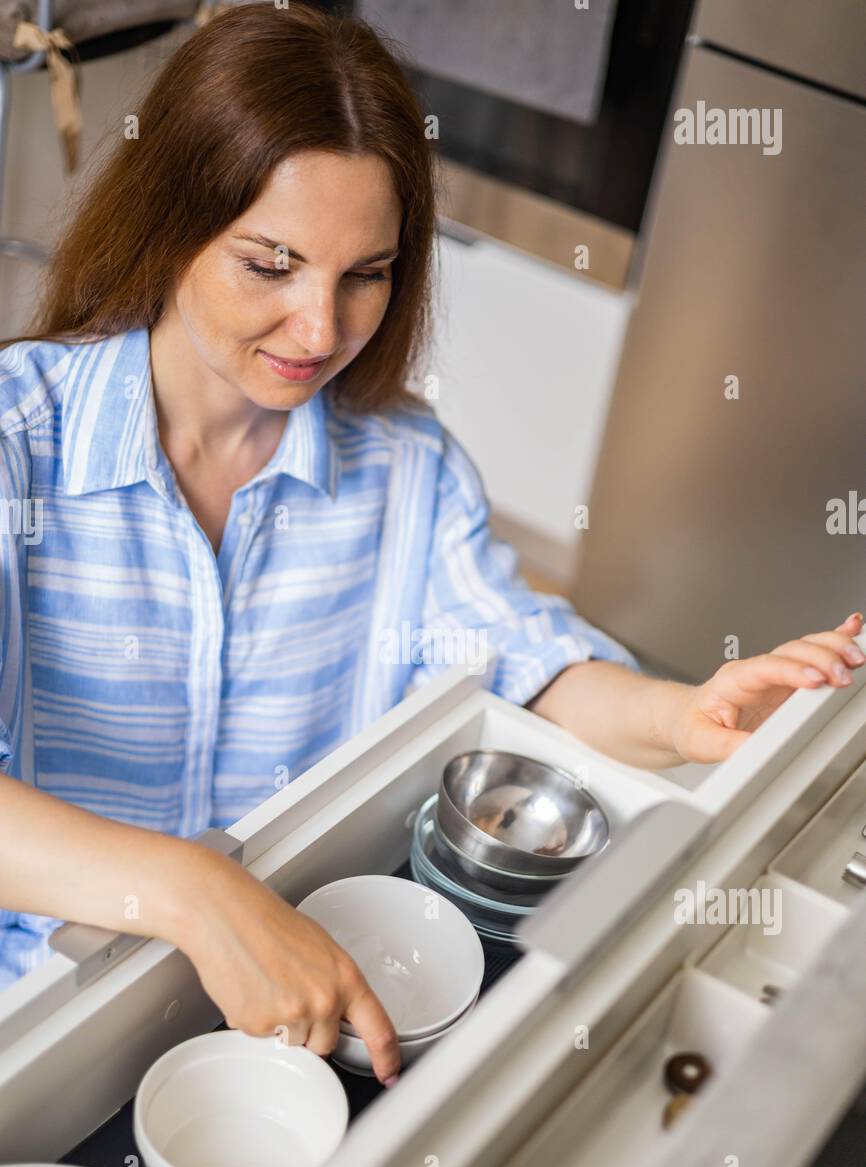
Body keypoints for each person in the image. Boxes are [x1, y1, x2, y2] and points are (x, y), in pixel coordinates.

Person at [0, 3, 862, 1085]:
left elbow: (516, 657)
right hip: (43, 1022)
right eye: (271, 265)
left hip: (315, 990)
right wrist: (195, 892)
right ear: (167, 221)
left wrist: (680, 716)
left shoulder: (401, 464)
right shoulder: (16, 446)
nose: (321, 330)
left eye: (367, 273)